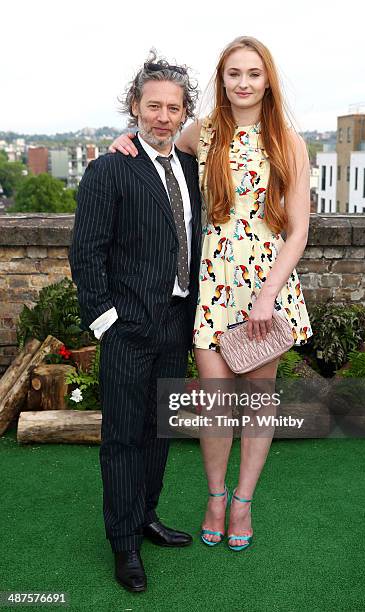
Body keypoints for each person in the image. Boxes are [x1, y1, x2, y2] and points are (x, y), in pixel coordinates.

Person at [109, 36, 313, 552]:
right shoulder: (204, 132)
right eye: (232, 74)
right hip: (212, 284)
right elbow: (155, 146)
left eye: (253, 73)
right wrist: (124, 141)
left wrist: (267, 296)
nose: (243, 83)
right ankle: (215, 496)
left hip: (266, 287)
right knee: (215, 402)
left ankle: (244, 501)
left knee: (257, 403)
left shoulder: (289, 141)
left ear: (267, 79)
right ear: (221, 80)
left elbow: (298, 232)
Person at [69, 53, 202, 593]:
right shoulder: (109, 168)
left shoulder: (189, 168)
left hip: (175, 323)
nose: (163, 117)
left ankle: (146, 516)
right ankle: (123, 543)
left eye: (174, 108)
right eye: (153, 106)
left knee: (159, 431)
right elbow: (87, 253)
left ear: (184, 112)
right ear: (135, 107)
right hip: (127, 329)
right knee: (123, 437)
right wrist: (106, 324)